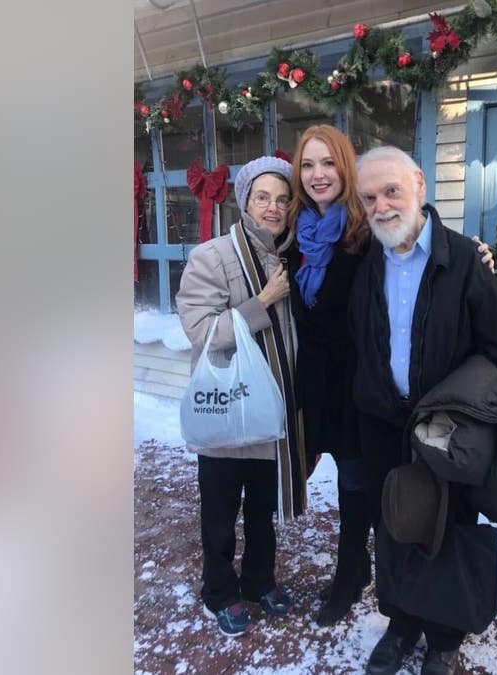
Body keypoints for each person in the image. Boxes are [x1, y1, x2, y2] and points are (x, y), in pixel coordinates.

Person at [282, 126, 496, 627]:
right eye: (308, 165)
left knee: (370, 491)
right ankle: (371, 580)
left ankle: (356, 575)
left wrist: (473, 255)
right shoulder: (295, 238)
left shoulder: (366, 233)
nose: (318, 175)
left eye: (329, 164)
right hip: (320, 387)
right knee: (351, 486)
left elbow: (421, 251)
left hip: (367, 388)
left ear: (346, 169)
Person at [347, 146, 497, 675]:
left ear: (420, 185)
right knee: (396, 526)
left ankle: (444, 639)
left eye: (391, 191)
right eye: (369, 197)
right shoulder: (364, 262)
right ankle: (401, 625)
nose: (380, 206)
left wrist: (467, 423)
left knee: (449, 529)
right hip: (383, 428)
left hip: (449, 433)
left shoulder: (466, 262)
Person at [175, 156, 308, 638]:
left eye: (281, 199)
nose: (272, 208)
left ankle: (257, 580)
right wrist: (262, 302)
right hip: (230, 410)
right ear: (245, 201)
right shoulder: (213, 256)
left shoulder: (292, 256)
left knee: (261, 509)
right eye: (262, 197)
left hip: (273, 410)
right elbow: (200, 330)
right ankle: (219, 591)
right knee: (220, 510)